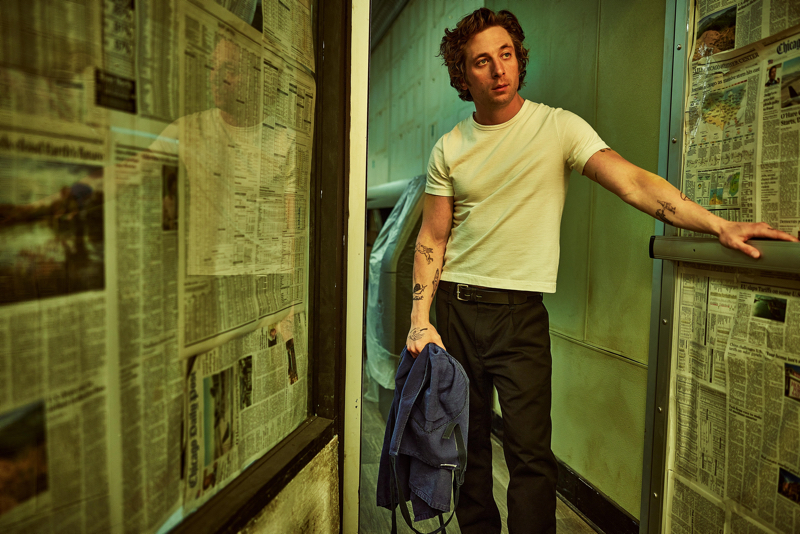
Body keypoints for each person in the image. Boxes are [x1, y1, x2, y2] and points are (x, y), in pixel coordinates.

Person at [404, 8, 799, 534]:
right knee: (466, 452)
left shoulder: (557, 127)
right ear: (463, 76)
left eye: (506, 54)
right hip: (456, 311)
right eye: (482, 61)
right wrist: (420, 319)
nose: (499, 69)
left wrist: (718, 225)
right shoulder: (450, 147)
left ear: (519, 59)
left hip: (520, 319)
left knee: (530, 456)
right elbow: (432, 238)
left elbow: (634, 183)